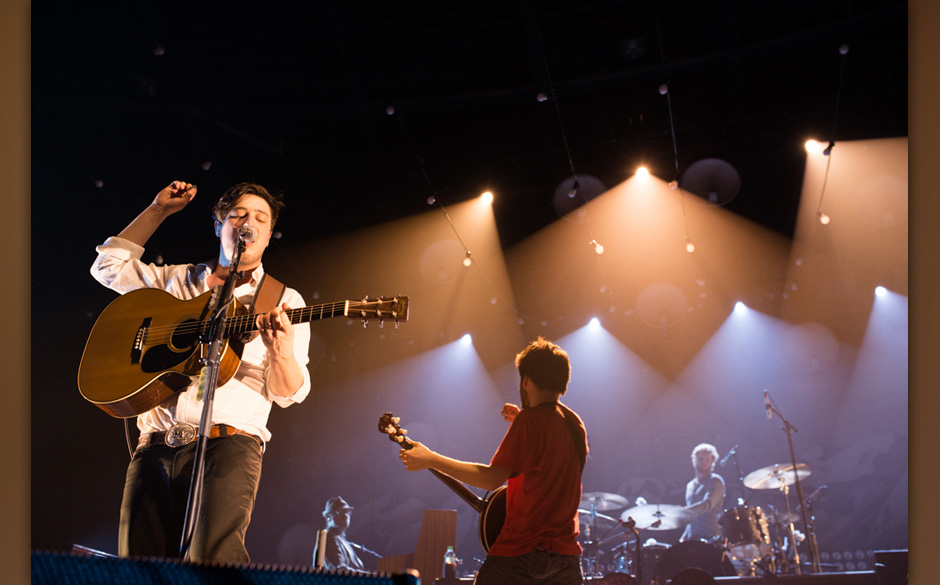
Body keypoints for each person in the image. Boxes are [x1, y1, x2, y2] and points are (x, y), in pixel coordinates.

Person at [90, 180, 312, 563]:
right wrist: (158, 210)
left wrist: (282, 352)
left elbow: (289, 393)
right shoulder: (178, 280)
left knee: (213, 565)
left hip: (229, 447)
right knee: (138, 568)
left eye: (261, 218)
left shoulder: (283, 300)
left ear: (269, 235)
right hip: (156, 446)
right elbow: (106, 266)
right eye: (238, 214)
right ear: (218, 224)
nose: (249, 223)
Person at [399, 337, 588, 585]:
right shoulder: (573, 423)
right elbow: (549, 462)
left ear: (527, 379)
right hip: (566, 558)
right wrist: (523, 421)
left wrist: (431, 459)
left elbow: (491, 479)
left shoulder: (530, 422)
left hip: (521, 555)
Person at [679, 443, 725, 543]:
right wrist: (684, 537)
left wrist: (682, 511)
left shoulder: (716, 481)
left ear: (713, 462)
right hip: (693, 539)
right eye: (700, 459)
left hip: (711, 538)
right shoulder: (690, 485)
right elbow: (691, 518)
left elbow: (707, 505)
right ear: (694, 460)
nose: (704, 461)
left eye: (707, 459)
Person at [313, 496, 368, 573]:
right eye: (339, 512)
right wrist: (372, 576)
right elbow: (339, 571)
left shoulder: (342, 540)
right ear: (328, 517)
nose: (345, 515)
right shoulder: (328, 537)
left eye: (347, 512)